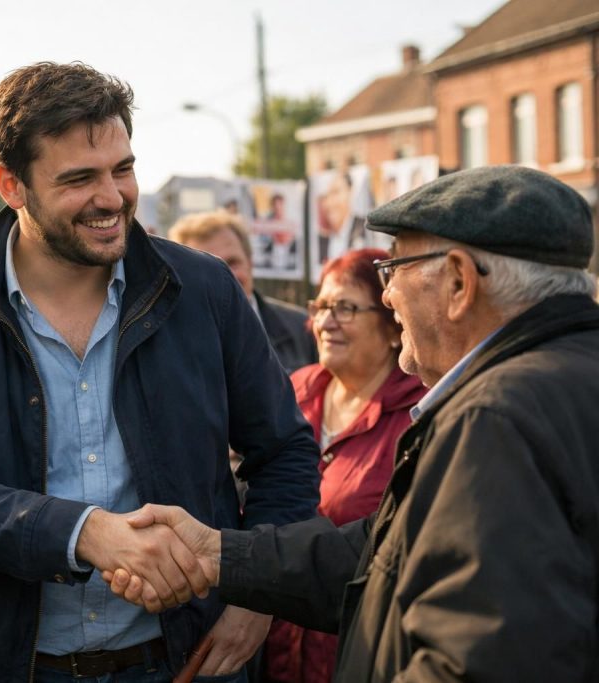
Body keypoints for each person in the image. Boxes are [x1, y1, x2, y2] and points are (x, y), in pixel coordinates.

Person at [0, 61, 321, 681]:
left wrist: (256, 594)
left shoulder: (204, 289)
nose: (112, 198)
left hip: (191, 660)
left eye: (123, 169)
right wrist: (85, 534)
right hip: (17, 665)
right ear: (10, 184)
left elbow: (285, 452)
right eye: (80, 178)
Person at [109, 165, 599, 681]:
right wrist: (220, 555)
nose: (388, 295)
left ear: (459, 282)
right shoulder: (562, 378)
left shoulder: (494, 418)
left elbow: (476, 658)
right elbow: (387, 553)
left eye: (395, 267)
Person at [263, 248, 426, 683]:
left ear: (393, 328)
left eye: (346, 308)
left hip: (362, 653)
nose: (326, 322)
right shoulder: (295, 392)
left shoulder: (416, 416)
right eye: (321, 306)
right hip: (276, 651)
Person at [168, 211, 316, 373]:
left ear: (250, 263)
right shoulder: (168, 342)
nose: (225, 277)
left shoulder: (303, 328)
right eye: (208, 268)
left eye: (232, 263)